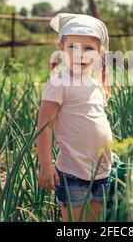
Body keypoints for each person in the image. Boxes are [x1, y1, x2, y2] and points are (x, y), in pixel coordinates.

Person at [36, 13, 114, 222]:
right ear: (61, 48)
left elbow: (96, 123)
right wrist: (46, 165)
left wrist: (110, 155)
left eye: (88, 48)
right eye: (73, 47)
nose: (80, 54)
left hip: (102, 171)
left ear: (100, 53)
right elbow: (45, 127)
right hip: (73, 173)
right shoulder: (58, 84)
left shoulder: (95, 85)